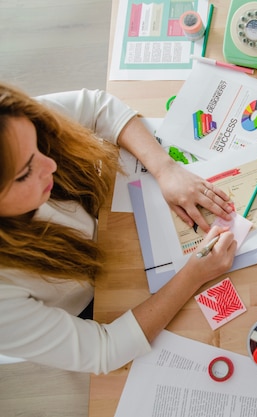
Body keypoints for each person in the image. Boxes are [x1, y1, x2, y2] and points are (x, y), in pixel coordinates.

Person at [0, 83, 238, 373]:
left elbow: (98, 108)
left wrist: (166, 169)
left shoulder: (9, 127)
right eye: (25, 172)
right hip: (84, 307)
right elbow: (105, 351)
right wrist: (193, 275)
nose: (50, 164)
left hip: (104, 230)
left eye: (38, 143)